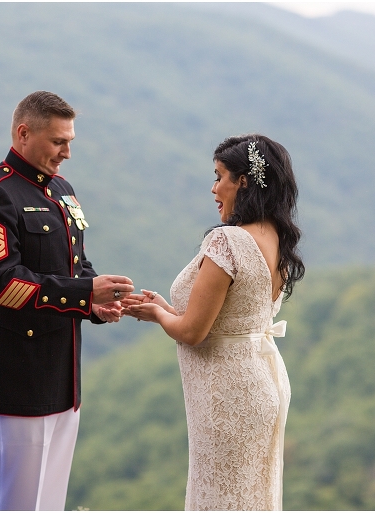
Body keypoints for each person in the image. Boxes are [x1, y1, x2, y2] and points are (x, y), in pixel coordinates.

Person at [0, 90, 134, 511]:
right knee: (14, 500)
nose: (67, 152)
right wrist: (84, 294)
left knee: (49, 501)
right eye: (58, 141)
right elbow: (4, 283)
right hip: (17, 374)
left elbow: (76, 262)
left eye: (69, 141)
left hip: (61, 373)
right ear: (23, 133)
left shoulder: (61, 189)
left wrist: (96, 301)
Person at [124, 135, 305, 510]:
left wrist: (159, 315)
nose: (213, 188)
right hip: (263, 384)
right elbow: (231, 321)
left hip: (228, 395)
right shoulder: (275, 236)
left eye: (220, 176)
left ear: (244, 181)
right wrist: (169, 310)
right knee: (250, 495)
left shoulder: (228, 241)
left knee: (220, 497)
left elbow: (193, 333)